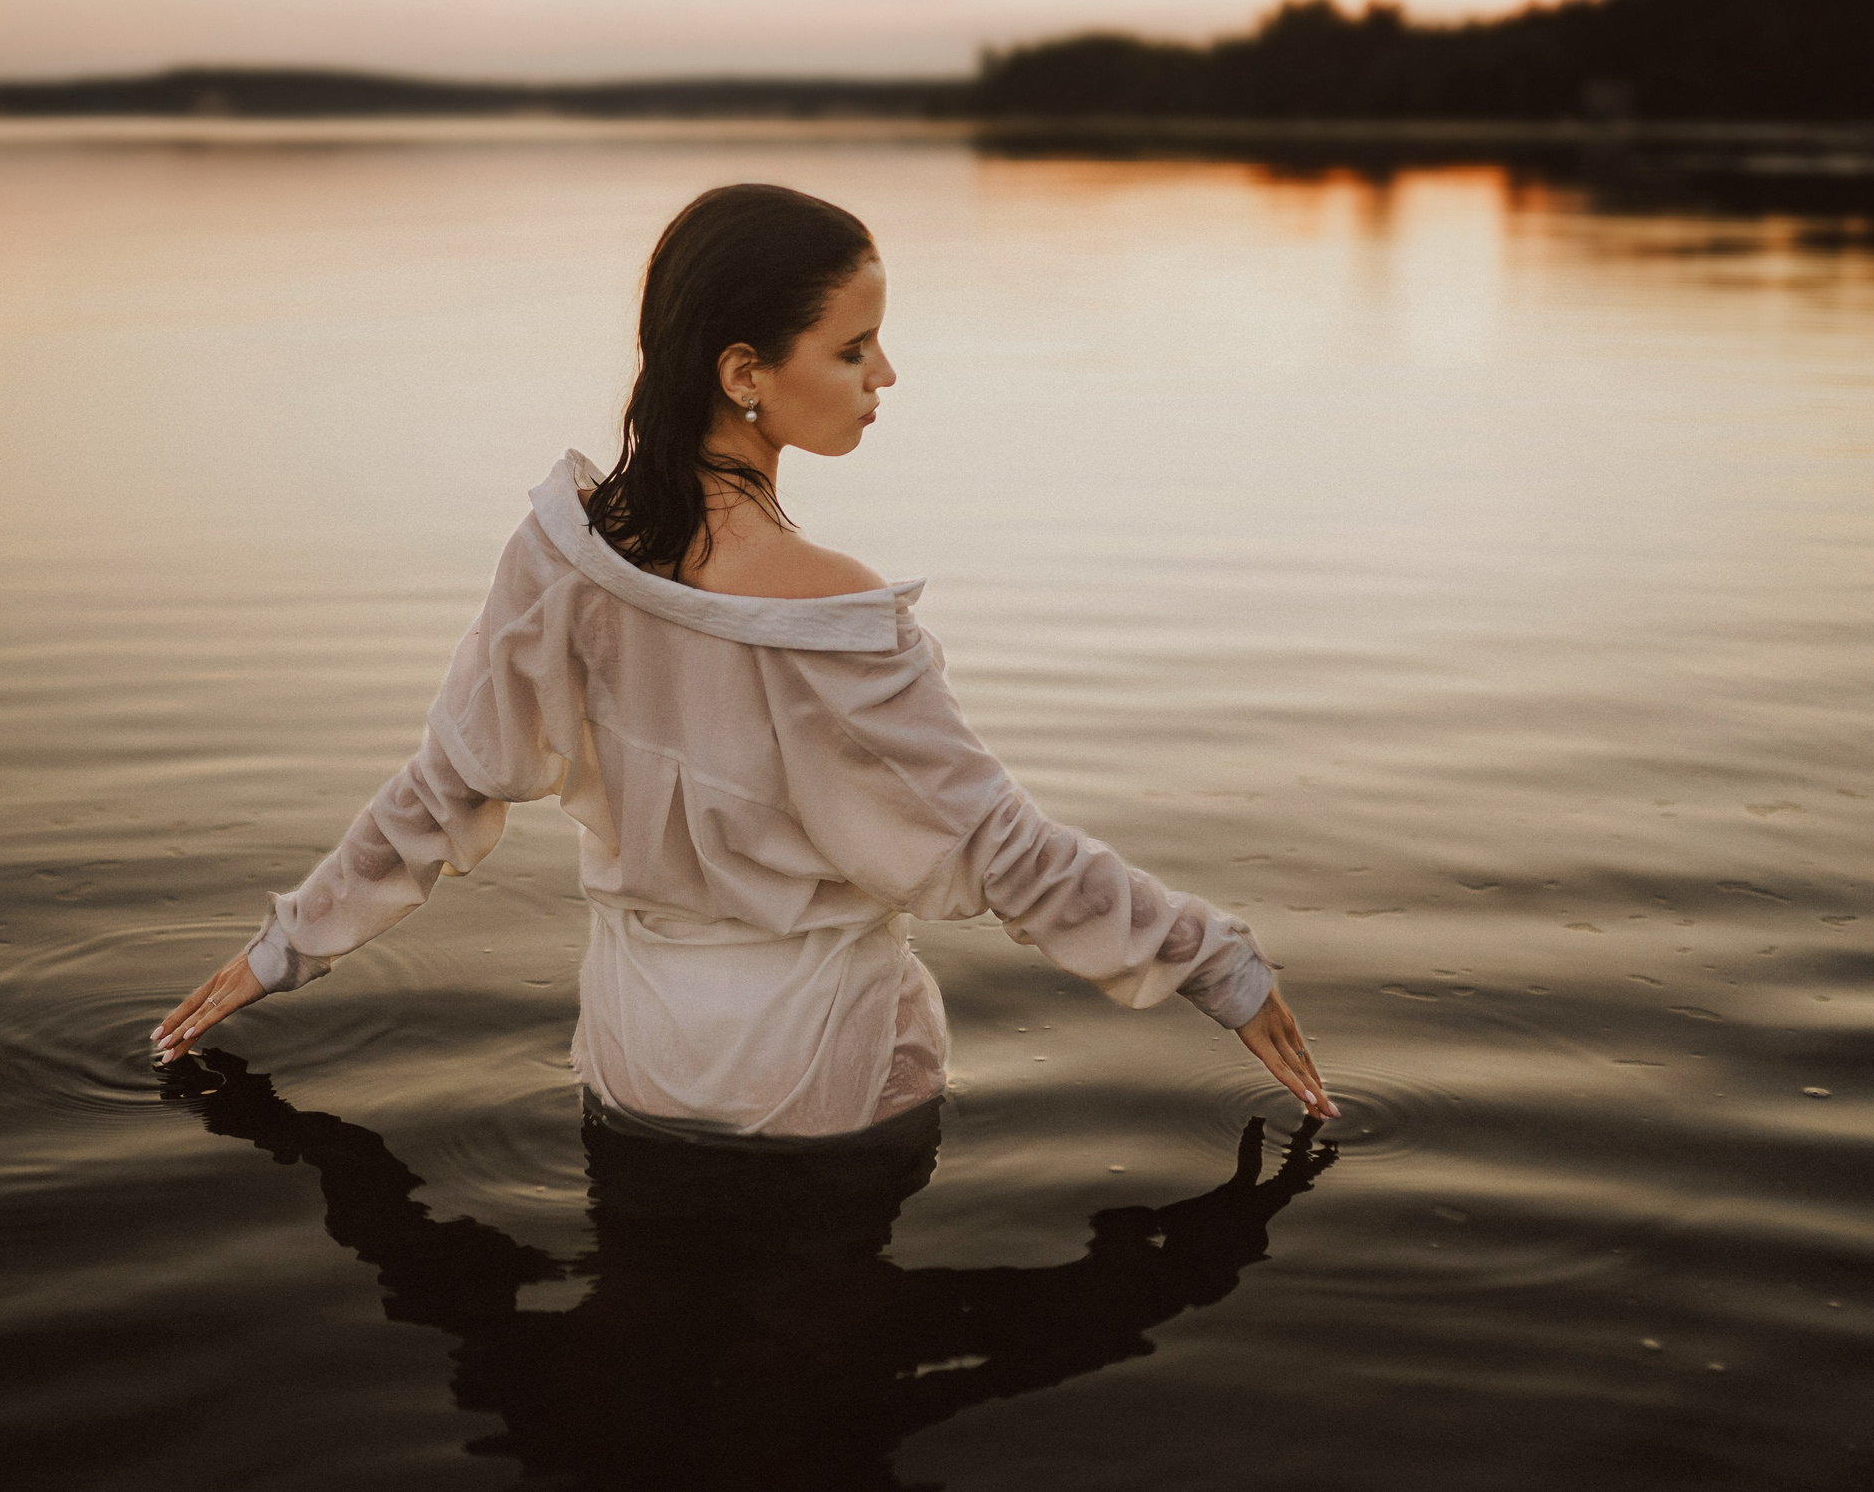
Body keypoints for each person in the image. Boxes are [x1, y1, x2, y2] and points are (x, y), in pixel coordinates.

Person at [152, 182, 1336, 1136]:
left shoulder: (563, 555)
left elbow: (443, 786)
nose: (886, 377)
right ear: (743, 374)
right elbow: (998, 848)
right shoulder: (838, 612)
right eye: (856, 348)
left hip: (636, 1047)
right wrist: (1214, 964)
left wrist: (281, 947)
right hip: (816, 1056)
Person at [165, 1046, 1337, 1491]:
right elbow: (1056, 1334)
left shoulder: (565, 1416)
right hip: (810, 1129)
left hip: (676, 1111)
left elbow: (420, 1272)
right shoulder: (866, 1385)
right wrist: (1218, 1239)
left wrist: (296, 1122)